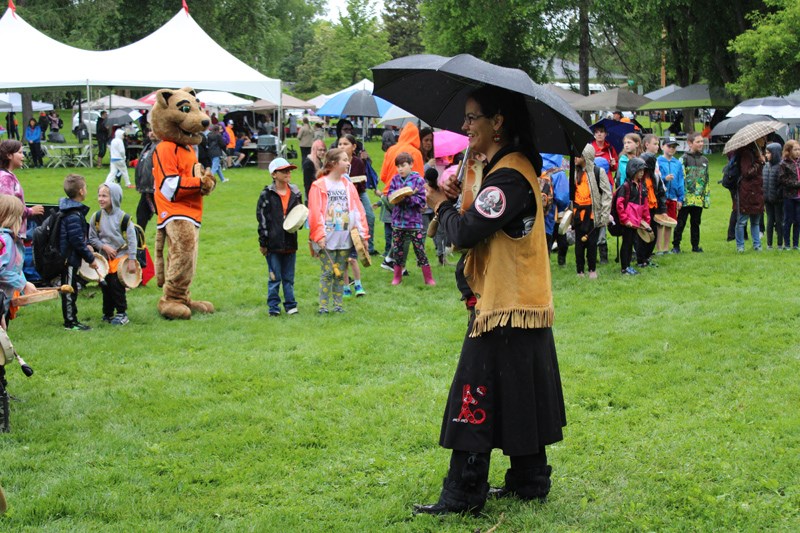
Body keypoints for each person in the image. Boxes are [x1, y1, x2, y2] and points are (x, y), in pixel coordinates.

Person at [415, 85, 564, 516]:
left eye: (471, 118)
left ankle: (462, 495)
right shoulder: (505, 170)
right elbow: (481, 216)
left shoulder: (510, 176)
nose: (464, 127)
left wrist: (441, 204)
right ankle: (529, 479)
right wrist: (460, 186)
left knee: (473, 394)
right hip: (522, 302)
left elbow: (462, 234)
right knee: (521, 392)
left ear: (497, 123)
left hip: (505, 305)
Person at [307, 149, 368, 314]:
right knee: (327, 272)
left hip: (344, 237)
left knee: (340, 273)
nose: (348, 163)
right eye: (345, 160)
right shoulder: (319, 185)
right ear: (333, 163)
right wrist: (319, 235)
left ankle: (338, 305)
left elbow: (357, 210)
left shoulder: (348, 185)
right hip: (327, 238)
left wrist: (363, 235)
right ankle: (323, 307)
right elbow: (315, 212)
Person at [257, 158, 302, 317]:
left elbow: (299, 215)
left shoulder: (296, 192)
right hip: (273, 244)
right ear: (274, 174)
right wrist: (264, 242)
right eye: (284, 171)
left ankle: (291, 305)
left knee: (289, 277)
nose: (288, 173)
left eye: (289, 170)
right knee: (274, 277)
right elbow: (262, 220)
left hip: (290, 242)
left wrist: (299, 224)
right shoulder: (266, 194)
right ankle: (274, 307)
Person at [88, 183, 137, 326]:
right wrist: (103, 247)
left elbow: (132, 241)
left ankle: (122, 313)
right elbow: (92, 238)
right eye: (99, 195)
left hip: (120, 258)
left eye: (104, 196)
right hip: (104, 259)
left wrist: (132, 259)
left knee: (116, 286)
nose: (100, 199)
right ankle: (107, 313)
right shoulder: (96, 217)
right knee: (105, 286)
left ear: (114, 198)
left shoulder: (124, 219)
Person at [386, 152, 434, 286]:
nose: (400, 169)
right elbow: (390, 196)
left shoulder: (419, 180)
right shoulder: (395, 180)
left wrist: (409, 198)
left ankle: (428, 278)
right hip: (397, 222)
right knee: (398, 250)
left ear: (411, 165)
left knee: (420, 250)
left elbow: (421, 200)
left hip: (414, 223)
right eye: (398, 166)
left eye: (403, 165)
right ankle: (397, 277)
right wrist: (397, 197)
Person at [58, 174, 98, 331]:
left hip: (71, 257)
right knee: (68, 290)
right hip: (68, 259)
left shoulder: (73, 211)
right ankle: (70, 322)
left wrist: (87, 244)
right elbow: (76, 240)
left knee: (72, 287)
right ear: (81, 191)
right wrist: (90, 258)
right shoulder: (73, 214)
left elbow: (79, 237)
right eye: (86, 187)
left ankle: (73, 318)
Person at [337, 134, 371, 297]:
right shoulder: (335, 167)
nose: (342, 146)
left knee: (351, 258)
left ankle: (357, 284)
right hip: (340, 217)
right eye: (340, 143)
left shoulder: (358, 161)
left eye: (345, 143)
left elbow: (362, 183)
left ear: (353, 146)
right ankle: (345, 287)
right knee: (342, 260)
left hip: (357, 195)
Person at [571, 144, 611, 278]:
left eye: (579, 155)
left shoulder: (598, 172)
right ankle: (580, 270)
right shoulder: (574, 172)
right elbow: (571, 194)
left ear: (586, 156)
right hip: (578, 214)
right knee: (578, 244)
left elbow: (607, 194)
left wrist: (604, 214)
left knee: (592, 243)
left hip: (593, 213)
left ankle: (592, 269)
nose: (576, 158)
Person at [0, 140, 45, 238]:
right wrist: (30, 211)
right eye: (20, 153)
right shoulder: (5, 178)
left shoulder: (9, 176)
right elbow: (9, 207)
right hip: (9, 234)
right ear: (9, 155)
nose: (23, 156)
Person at [673, 133, 709, 253]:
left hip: (698, 198)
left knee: (696, 222)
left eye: (702, 141)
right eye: (698, 142)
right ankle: (676, 245)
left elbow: (706, 180)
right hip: (686, 197)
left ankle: (695, 246)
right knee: (681, 222)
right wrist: (680, 196)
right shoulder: (683, 159)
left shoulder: (705, 160)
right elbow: (679, 178)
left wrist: (706, 197)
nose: (701, 144)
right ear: (690, 143)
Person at [616, 158, 651, 275]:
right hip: (628, 222)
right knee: (626, 244)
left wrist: (646, 221)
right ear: (632, 170)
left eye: (643, 170)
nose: (641, 173)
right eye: (639, 170)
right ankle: (624, 268)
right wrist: (625, 220)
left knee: (631, 244)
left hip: (636, 222)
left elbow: (644, 205)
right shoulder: (626, 187)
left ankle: (628, 266)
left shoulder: (641, 186)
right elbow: (619, 205)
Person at [734, 139, 765, 252]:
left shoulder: (757, 152)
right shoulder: (747, 154)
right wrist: (759, 162)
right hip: (747, 191)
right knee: (742, 221)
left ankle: (757, 245)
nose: (764, 140)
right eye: (762, 138)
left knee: (756, 221)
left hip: (757, 191)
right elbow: (746, 172)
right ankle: (740, 247)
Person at [657, 138, 684, 254]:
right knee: (659, 222)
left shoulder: (677, 163)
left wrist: (680, 198)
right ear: (662, 147)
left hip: (673, 197)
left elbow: (681, 180)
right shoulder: (658, 161)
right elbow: (656, 178)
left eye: (674, 147)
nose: (672, 149)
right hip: (661, 196)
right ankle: (658, 248)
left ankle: (666, 247)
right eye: (669, 146)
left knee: (670, 222)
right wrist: (665, 179)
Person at [134, 131, 158, 230]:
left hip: (156, 190)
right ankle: (139, 244)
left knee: (165, 219)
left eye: (154, 130)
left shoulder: (162, 147)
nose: (151, 133)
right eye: (150, 130)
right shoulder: (148, 146)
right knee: (140, 216)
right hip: (146, 189)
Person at [762, 142, 784, 250]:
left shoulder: (781, 166)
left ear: (775, 153)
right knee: (770, 221)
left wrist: (778, 195)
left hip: (778, 200)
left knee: (779, 221)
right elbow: (764, 183)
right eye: (766, 153)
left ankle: (780, 243)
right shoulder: (766, 166)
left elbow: (782, 184)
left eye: (769, 153)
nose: (766, 155)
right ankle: (769, 243)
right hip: (768, 199)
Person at [779, 140, 800, 250]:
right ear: (788, 150)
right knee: (788, 220)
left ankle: (795, 244)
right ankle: (786, 244)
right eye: (795, 149)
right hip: (789, 196)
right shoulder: (784, 163)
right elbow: (783, 180)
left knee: (798, 220)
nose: (798, 152)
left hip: (799, 196)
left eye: (799, 149)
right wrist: (797, 184)